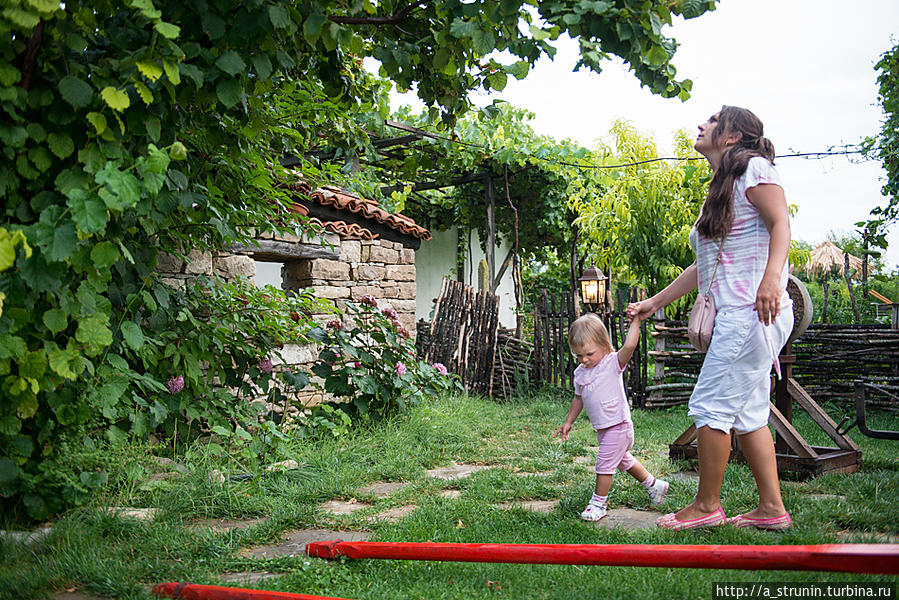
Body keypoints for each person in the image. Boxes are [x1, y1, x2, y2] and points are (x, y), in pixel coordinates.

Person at [626, 106, 793, 531]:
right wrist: (655, 302)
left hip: (750, 312)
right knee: (750, 413)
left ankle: (706, 506)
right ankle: (772, 510)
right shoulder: (725, 185)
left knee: (709, 406)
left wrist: (772, 278)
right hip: (743, 314)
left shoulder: (755, 169)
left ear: (733, 136)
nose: (702, 125)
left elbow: (781, 223)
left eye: (713, 121)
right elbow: (706, 264)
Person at [554, 312, 669, 521]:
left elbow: (630, 346)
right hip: (604, 429)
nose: (584, 359)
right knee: (624, 461)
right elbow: (578, 398)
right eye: (578, 355)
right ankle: (654, 485)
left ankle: (598, 503)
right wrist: (569, 422)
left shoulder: (612, 363)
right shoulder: (580, 373)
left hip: (619, 426)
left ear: (604, 346)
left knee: (604, 465)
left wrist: (635, 321)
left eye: (589, 353)